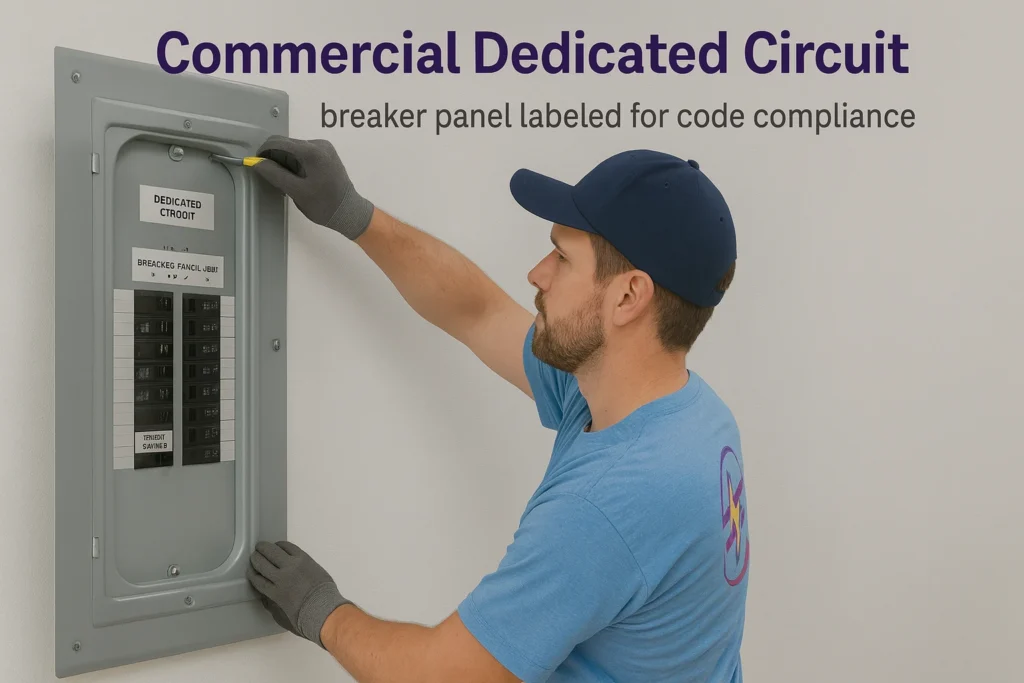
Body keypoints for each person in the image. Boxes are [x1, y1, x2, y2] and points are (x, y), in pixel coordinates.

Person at [244, 136, 750, 683]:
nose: (538, 273)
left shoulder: (607, 503)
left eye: (562, 257)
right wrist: (352, 213)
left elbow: (441, 678)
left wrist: (320, 610)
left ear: (628, 297)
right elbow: (478, 312)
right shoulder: (691, 414)